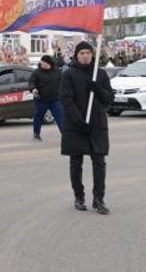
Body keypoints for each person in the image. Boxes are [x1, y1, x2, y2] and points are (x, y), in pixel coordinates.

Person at [59, 41, 114, 215]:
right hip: (77, 126)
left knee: (99, 162)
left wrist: (97, 89)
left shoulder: (100, 74)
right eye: (82, 53)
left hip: (97, 125)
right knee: (76, 162)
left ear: (92, 55)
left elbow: (109, 99)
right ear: (76, 55)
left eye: (88, 53)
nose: (85, 56)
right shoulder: (68, 74)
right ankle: (79, 196)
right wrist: (79, 121)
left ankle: (99, 199)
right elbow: (66, 100)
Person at [29, 55, 65, 141]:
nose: (41, 63)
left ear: (48, 63)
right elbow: (32, 81)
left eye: (43, 62)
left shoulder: (58, 72)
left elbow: (64, 83)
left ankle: (66, 135)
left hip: (55, 100)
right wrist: (33, 89)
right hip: (41, 100)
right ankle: (36, 134)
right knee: (38, 117)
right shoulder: (37, 72)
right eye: (41, 61)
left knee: (60, 118)